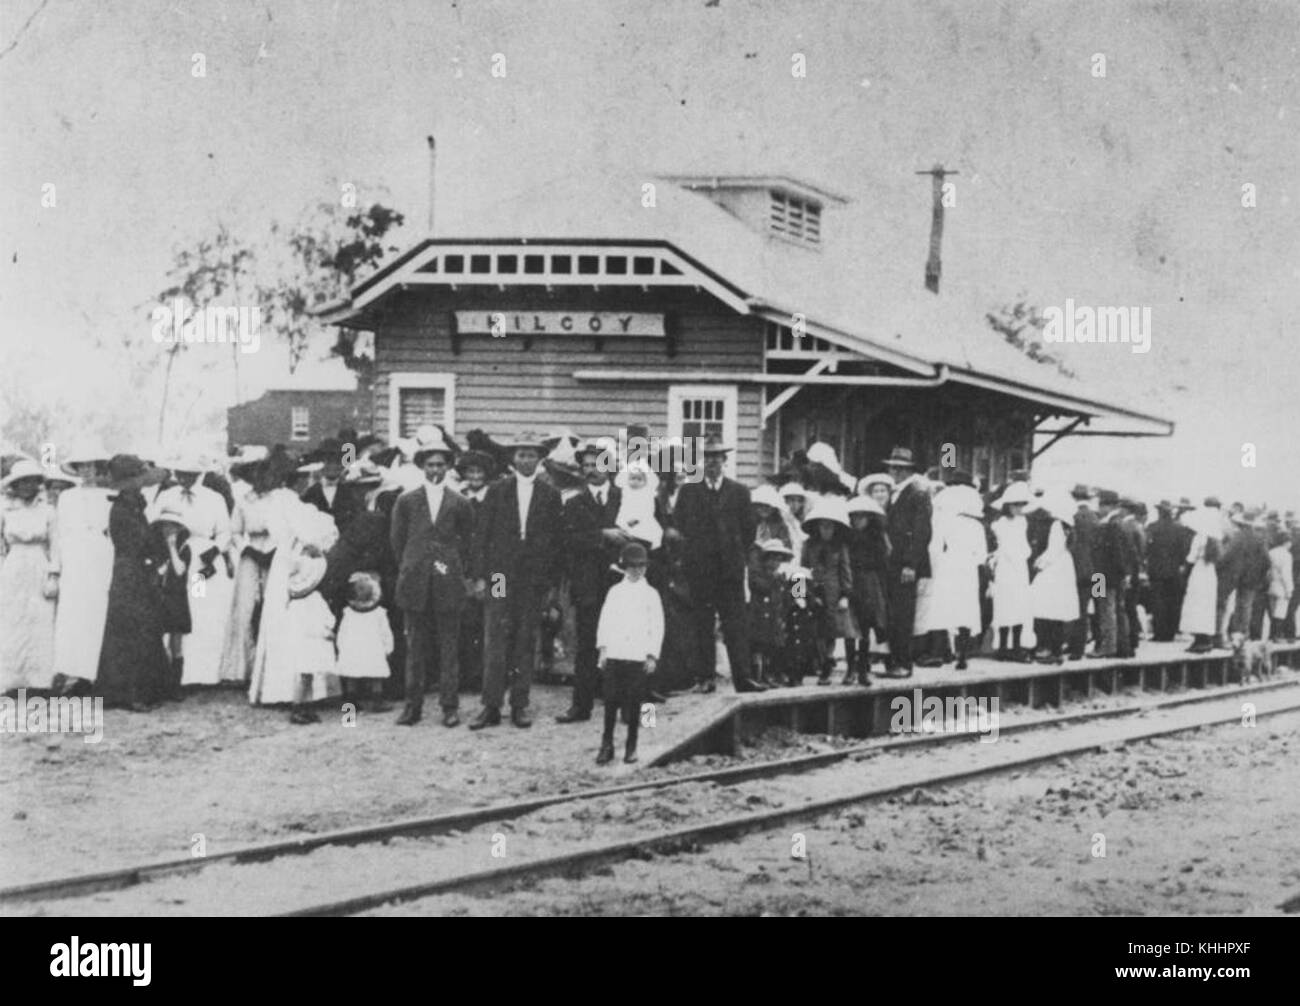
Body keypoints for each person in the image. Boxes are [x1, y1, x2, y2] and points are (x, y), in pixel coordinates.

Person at [469, 432, 563, 729]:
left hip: (531, 577)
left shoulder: (550, 494)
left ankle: (520, 705)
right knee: (496, 637)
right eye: (521, 454)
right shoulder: (497, 490)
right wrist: (481, 578)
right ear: (513, 458)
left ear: (539, 459)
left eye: (531, 455)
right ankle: (491, 706)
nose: (526, 460)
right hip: (499, 574)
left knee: (525, 639)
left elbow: (554, 542)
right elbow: (481, 535)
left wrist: (549, 584)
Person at [390, 434, 475, 727]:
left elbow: (467, 543)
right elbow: (398, 542)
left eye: (440, 464)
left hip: (447, 582)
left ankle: (449, 707)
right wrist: (414, 565)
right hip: (415, 581)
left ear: (449, 467)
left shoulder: (460, 503)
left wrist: (452, 566)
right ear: (421, 467)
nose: (435, 470)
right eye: (430, 464)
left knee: (449, 647)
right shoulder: (407, 501)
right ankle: (412, 707)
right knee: (415, 647)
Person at [672, 435, 764, 693]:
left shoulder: (740, 492)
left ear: (725, 460)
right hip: (700, 570)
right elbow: (679, 526)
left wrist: (735, 555)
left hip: (730, 570)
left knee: (735, 624)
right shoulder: (689, 491)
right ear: (703, 461)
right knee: (702, 623)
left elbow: (749, 531)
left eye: (717, 458)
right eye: (708, 458)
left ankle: (743, 678)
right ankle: (705, 677)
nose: (713, 463)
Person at [248, 497, 342, 707]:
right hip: (290, 588)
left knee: (294, 634)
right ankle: (293, 695)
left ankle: (303, 696)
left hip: (292, 587)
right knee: (290, 631)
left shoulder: (296, 552)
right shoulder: (297, 553)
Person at [558, 441, 626, 724]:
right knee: (587, 647)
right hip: (587, 585)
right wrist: (602, 536)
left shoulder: (627, 498)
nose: (589, 470)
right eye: (585, 465)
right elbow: (568, 540)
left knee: (624, 645)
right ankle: (580, 707)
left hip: (621, 583)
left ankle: (625, 706)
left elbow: (645, 534)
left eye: (595, 464)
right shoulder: (573, 503)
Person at [96, 455, 170, 710]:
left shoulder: (135, 507)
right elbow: (135, 542)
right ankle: (128, 692)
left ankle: (143, 688)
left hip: (137, 569)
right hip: (128, 571)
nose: (140, 485)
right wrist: (155, 545)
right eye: (136, 480)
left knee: (142, 625)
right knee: (130, 627)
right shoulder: (121, 510)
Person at [153, 456, 234, 688]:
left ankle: (202, 672)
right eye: (180, 474)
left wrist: (215, 551)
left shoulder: (213, 498)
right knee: (178, 613)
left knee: (200, 610)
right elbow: (156, 524)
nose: (184, 479)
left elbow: (224, 532)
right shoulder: (167, 496)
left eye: (189, 474)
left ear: (199, 475)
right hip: (176, 558)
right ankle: (178, 672)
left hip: (202, 563)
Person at [218, 456, 300, 685]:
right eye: (256, 475)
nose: (262, 479)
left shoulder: (281, 499)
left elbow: (291, 528)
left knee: (273, 607)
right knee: (245, 609)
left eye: (265, 474)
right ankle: (244, 669)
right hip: (251, 555)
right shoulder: (243, 501)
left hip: (276, 554)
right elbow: (234, 531)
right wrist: (247, 549)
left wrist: (277, 550)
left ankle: (272, 671)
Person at [50, 447, 114, 692]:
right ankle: (68, 669)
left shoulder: (109, 495)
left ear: (98, 468)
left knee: (96, 611)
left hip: (99, 554)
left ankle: (90, 673)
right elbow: (60, 532)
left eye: (91, 465)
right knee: (72, 612)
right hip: (74, 555)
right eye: (82, 466)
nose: (87, 471)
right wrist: (57, 566)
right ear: (76, 470)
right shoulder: (67, 497)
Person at [595, 541, 664, 765]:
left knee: (638, 703)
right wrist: (603, 650)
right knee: (611, 701)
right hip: (616, 653)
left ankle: (633, 745)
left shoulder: (651, 594)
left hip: (638, 655)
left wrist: (652, 655)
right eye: (633, 566)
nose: (637, 570)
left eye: (641, 566)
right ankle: (606, 744)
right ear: (624, 567)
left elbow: (657, 626)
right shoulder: (615, 592)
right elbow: (605, 622)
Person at [0, 460, 58, 695]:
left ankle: (40, 683)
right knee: (13, 621)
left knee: (40, 621)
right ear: (14, 485)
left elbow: (56, 545)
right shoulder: (5, 509)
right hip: (13, 566)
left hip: (38, 565)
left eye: (31, 481)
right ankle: (12, 681)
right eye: (21, 482)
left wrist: (53, 575)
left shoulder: (48, 510)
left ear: (38, 484)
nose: (26, 486)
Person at [924, 472, 985, 670]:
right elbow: (982, 555)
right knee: (966, 609)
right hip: (968, 568)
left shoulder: (944, 519)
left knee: (943, 607)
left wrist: (935, 564)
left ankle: (940, 652)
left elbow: (935, 546)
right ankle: (963, 655)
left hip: (948, 564)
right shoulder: (976, 524)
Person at [881, 448, 931, 677]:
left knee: (902, 613)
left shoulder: (917, 494)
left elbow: (922, 532)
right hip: (892, 562)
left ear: (909, 470)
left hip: (904, 564)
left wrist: (911, 563)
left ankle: (903, 661)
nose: (896, 472)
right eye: (893, 467)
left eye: (900, 468)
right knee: (892, 612)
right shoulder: (897, 493)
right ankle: (893, 660)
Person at [800, 496, 854, 684]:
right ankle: (824, 667)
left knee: (841, 630)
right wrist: (800, 595)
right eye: (823, 526)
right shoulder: (808, 546)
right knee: (818, 633)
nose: (826, 530)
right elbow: (802, 570)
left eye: (830, 526)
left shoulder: (840, 547)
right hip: (815, 592)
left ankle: (850, 669)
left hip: (835, 593)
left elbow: (845, 572)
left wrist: (845, 595)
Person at [455, 449, 495, 693]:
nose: (475, 476)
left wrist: (486, 576)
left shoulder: (495, 498)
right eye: (471, 471)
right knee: (467, 622)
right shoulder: (459, 499)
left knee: (495, 620)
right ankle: (470, 676)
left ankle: (494, 676)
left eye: (480, 471)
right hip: (465, 570)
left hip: (495, 572)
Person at [284, 551, 339, 724]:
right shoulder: (312, 601)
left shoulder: (297, 602)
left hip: (302, 643)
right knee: (305, 675)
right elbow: (318, 622)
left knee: (307, 676)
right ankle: (298, 707)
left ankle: (306, 706)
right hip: (309, 642)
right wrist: (327, 631)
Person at [148, 504, 194, 699]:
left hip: (177, 598)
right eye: (165, 526)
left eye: (173, 526)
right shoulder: (155, 548)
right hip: (160, 596)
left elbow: (180, 570)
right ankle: (160, 683)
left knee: (176, 641)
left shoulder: (185, 548)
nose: (168, 530)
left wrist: (172, 547)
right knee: (157, 639)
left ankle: (175, 686)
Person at [334, 571, 394, 711]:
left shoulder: (348, 613)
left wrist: (341, 648)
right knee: (376, 676)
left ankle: (350, 709)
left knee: (351, 677)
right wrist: (388, 649)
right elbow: (386, 633)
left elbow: (342, 634)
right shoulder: (379, 613)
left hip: (352, 652)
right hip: (374, 651)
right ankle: (377, 702)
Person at [844, 495, 889, 682]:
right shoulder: (846, 537)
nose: (858, 521)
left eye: (862, 517)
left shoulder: (877, 538)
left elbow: (882, 561)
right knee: (849, 627)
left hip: (869, 584)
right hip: (850, 581)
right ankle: (850, 669)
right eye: (854, 517)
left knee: (865, 627)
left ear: (869, 518)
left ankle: (862, 669)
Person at [1030, 496, 1080, 663]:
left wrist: (1039, 564)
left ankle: (1049, 648)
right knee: (1063, 610)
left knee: (1046, 607)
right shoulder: (1071, 524)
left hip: (1090, 576)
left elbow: (1053, 550)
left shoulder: (1055, 525)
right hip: (1089, 574)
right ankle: (1068, 649)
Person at [990, 481, 1033, 660]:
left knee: (1019, 606)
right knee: (1004, 606)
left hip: (1019, 567)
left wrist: (1025, 554)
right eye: (1016, 504)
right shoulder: (1000, 524)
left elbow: (1024, 545)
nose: (1019, 508)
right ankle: (1002, 646)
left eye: (1022, 504)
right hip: (1007, 567)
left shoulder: (1022, 522)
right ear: (1007, 505)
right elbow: (1008, 547)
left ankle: (1016, 645)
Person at [1094, 490, 1137, 657]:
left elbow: (1117, 553)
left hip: (1102, 575)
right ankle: (1122, 646)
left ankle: (1107, 646)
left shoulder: (1111, 525)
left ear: (1107, 506)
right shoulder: (1118, 523)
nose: (1099, 508)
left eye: (1101, 504)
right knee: (1116, 609)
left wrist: (1122, 572)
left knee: (1105, 609)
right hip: (1110, 575)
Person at [749, 539, 793, 687]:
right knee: (760, 645)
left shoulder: (784, 577)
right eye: (772, 558)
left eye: (778, 559)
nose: (775, 562)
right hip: (761, 615)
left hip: (776, 616)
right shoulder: (759, 576)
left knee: (775, 646)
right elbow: (757, 586)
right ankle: (760, 675)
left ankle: (777, 674)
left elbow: (792, 596)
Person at [1180, 505, 1221, 652]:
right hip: (1210, 574)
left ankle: (1198, 640)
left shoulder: (1199, 537)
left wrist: (1184, 569)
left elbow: (1191, 558)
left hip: (1198, 572)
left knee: (1195, 605)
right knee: (1206, 606)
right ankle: (1206, 639)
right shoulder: (1214, 539)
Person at [301, 438, 363, 533]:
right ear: (321, 464)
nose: (333, 466)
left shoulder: (351, 493)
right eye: (328, 461)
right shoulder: (309, 494)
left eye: (338, 461)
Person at [1146, 500, 1187, 642]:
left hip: (1156, 570)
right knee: (1173, 602)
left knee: (1158, 602)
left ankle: (1160, 632)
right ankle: (1171, 632)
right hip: (1174, 571)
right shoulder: (1179, 529)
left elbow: (1147, 549)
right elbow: (1183, 551)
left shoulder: (1152, 528)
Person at [1066, 485, 1099, 660]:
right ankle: (1099, 644)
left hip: (1078, 571)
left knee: (1078, 608)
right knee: (1098, 606)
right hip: (1097, 573)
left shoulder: (1074, 518)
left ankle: (1075, 648)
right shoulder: (1096, 517)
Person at [1267, 528, 1293, 641]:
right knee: (1280, 612)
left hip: (1271, 585)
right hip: (1281, 587)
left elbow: (1267, 571)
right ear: (1286, 542)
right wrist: (1289, 589)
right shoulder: (1286, 555)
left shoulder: (1271, 552)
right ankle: (1276, 636)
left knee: (1272, 612)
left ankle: (1271, 635)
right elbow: (1286, 574)